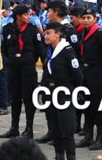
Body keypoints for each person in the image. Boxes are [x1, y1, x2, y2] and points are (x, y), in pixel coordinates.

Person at [39, 21, 82, 160]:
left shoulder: (67, 51)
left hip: (64, 93)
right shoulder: (50, 50)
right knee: (54, 126)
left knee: (66, 127)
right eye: (45, 33)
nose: (46, 36)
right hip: (50, 93)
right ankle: (59, 156)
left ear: (58, 34)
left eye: (49, 33)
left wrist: (72, 91)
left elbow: (77, 75)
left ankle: (70, 156)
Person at [0, 4, 43, 140]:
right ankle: (14, 127)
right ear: (18, 16)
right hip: (13, 67)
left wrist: (29, 60)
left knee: (29, 98)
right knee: (15, 97)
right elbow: (4, 49)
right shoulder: (8, 29)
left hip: (27, 67)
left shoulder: (32, 30)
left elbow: (39, 49)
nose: (28, 17)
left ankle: (29, 128)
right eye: (25, 15)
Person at [75, 7, 102, 151]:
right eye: (83, 18)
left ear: (95, 19)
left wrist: (99, 63)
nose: (85, 20)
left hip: (97, 72)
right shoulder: (84, 32)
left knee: (98, 106)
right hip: (86, 71)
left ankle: (99, 138)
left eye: (88, 18)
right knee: (87, 105)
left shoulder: (99, 34)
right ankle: (88, 136)